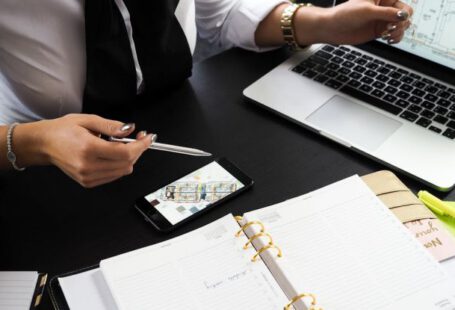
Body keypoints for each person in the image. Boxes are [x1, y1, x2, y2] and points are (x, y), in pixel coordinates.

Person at [0, 0, 412, 188]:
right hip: (39, 174)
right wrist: (33, 142)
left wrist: (321, 23)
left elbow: (220, 13)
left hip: (182, 126)